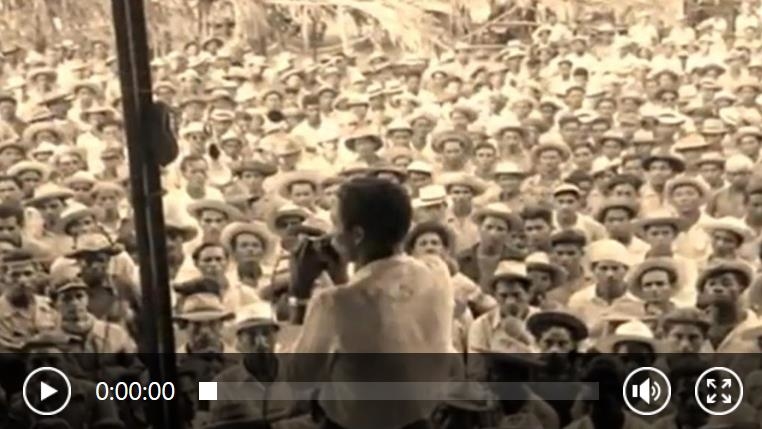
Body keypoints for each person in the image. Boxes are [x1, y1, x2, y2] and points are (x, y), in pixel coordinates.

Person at [286, 177, 454, 429]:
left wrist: (299, 292)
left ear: (356, 235)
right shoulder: (436, 272)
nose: (331, 235)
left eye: (335, 224)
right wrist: (342, 279)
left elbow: (298, 380)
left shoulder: (333, 303)